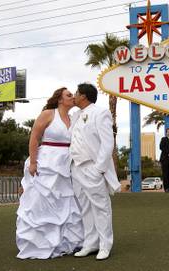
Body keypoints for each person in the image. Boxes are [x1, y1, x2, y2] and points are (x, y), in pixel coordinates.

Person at [16, 87, 84, 259]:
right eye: (69, 95)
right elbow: (34, 137)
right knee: (42, 202)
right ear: (60, 99)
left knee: (65, 203)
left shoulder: (73, 118)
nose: (72, 97)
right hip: (46, 162)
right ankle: (38, 244)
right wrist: (32, 162)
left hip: (66, 164)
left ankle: (65, 243)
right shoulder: (48, 114)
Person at [70, 83, 121, 261]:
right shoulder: (76, 115)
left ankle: (105, 244)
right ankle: (90, 243)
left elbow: (108, 143)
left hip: (92, 167)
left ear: (83, 96)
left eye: (76, 93)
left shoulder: (100, 113)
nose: (74, 96)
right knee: (85, 207)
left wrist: (99, 169)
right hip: (76, 167)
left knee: (101, 207)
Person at [159, 128, 169, 193]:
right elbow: (161, 147)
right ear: (166, 133)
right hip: (164, 159)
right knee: (165, 174)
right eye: (168, 132)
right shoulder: (163, 139)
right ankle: (166, 189)